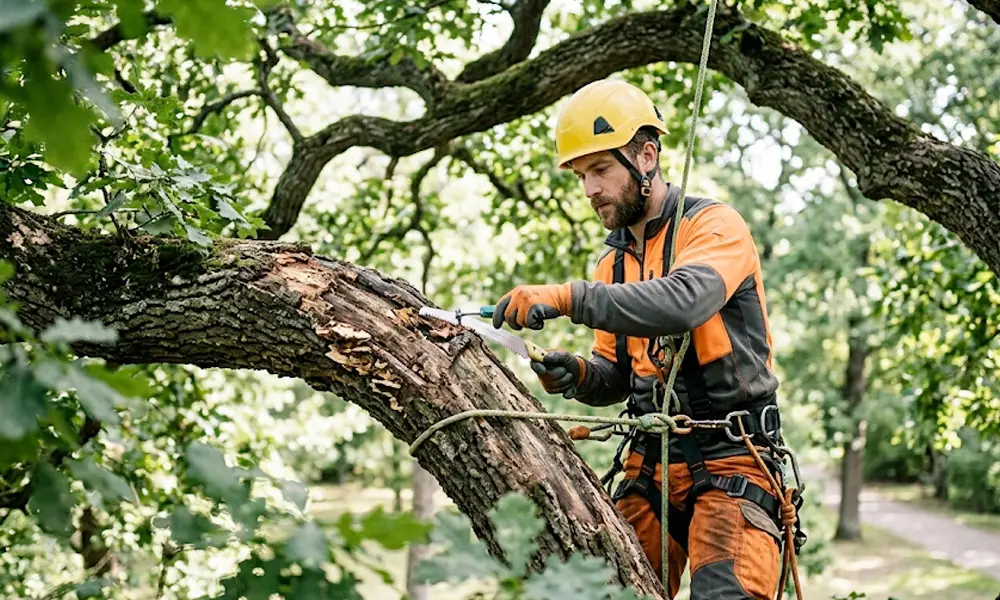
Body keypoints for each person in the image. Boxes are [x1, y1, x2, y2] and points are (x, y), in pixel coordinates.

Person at [490, 78, 799, 599]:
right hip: (650, 463)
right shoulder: (612, 263)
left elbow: (685, 302)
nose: (590, 190)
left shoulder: (714, 226)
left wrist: (569, 297)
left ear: (647, 157)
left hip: (734, 456)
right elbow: (618, 378)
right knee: (603, 591)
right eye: (582, 175)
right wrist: (581, 376)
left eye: (601, 170)